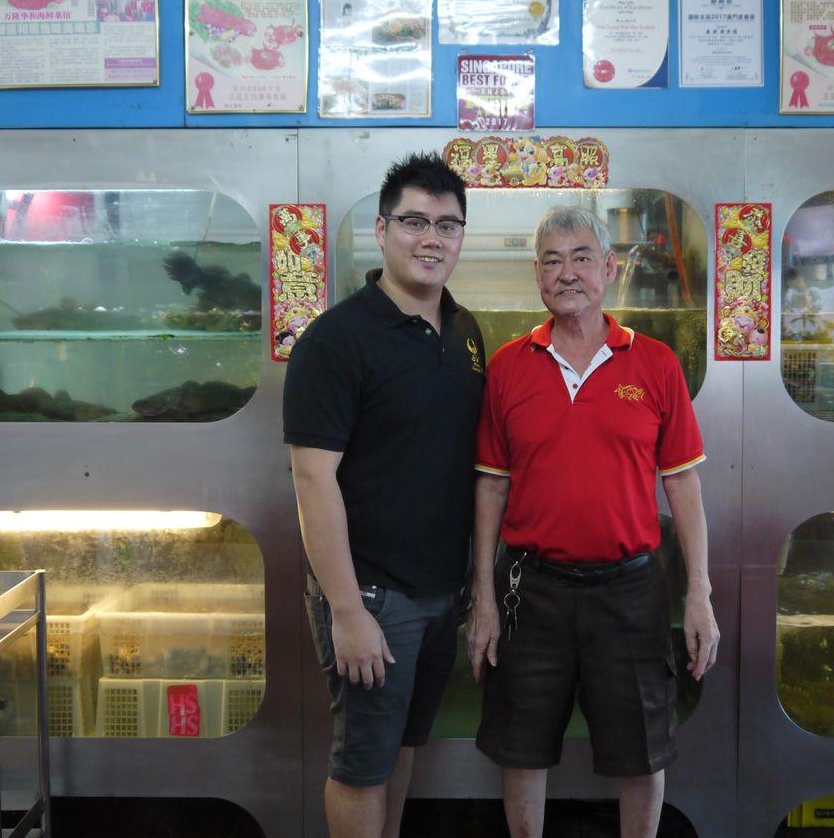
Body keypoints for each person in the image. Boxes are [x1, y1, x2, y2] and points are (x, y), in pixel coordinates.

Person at [467, 205, 719, 838]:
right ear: (537, 276)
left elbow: (683, 483)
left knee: (642, 753)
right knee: (521, 748)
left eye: (581, 257)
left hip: (630, 588)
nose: (567, 273)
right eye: (552, 261)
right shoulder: (509, 367)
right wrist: (484, 599)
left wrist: (700, 596)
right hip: (530, 585)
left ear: (608, 268)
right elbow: (490, 486)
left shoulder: (655, 363)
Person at [284, 151, 484, 838]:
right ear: (381, 228)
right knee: (362, 764)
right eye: (415, 221)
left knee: (402, 749)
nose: (432, 238)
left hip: (437, 595)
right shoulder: (337, 340)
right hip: (371, 594)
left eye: (448, 225)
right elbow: (312, 478)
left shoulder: (465, 333)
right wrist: (345, 610)